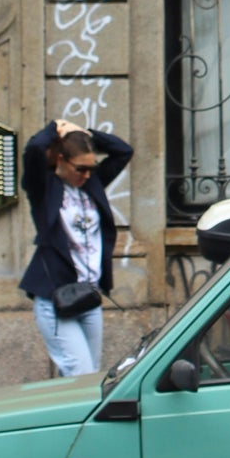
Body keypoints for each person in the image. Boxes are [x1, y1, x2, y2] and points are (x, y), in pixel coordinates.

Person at [20, 117, 134, 378]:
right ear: (60, 160)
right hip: (56, 299)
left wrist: (86, 133)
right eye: (80, 169)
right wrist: (56, 128)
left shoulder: (91, 184)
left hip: (89, 297)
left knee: (85, 377)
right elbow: (35, 149)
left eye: (91, 169)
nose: (86, 175)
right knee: (80, 375)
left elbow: (123, 150)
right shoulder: (44, 188)